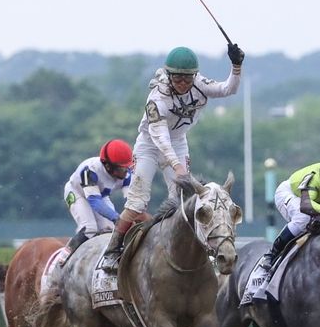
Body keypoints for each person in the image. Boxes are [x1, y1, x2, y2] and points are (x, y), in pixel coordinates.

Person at [99, 43, 245, 271]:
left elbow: (229, 89)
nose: (184, 85)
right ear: (169, 76)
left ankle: (183, 250)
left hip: (178, 142)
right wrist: (176, 165)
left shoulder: (199, 84)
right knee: (137, 202)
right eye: (178, 80)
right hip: (149, 144)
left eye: (187, 79)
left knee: (180, 201)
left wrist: (236, 67)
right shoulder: (157, 98)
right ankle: (112, 250)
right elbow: (159, 136)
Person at [63, 139, 133, 250]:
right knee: (89, 229)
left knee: (111, 230)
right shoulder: (90, 170)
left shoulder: (127, 174)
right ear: (108, 166)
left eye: (128, 167)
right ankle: (64, 257)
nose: (126, 171)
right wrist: (117, 218)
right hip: (77, 193)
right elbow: (94, 201)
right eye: (122, 168)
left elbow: (132, 201)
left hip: (100, 195)